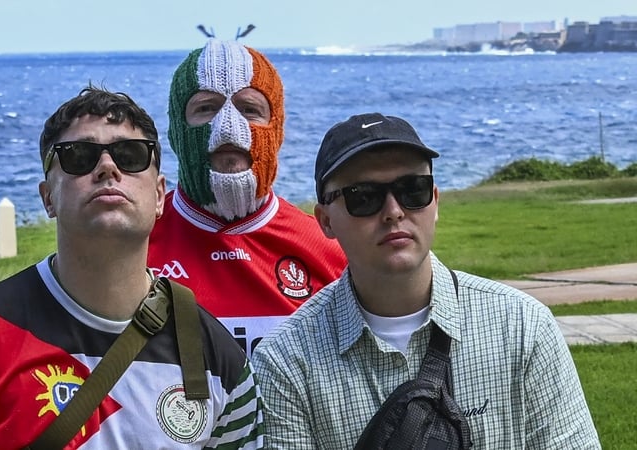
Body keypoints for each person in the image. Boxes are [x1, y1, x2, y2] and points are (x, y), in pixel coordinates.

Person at [0, 86, 264, 449]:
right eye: (78, 157)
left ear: (159, 195)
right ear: (48, 198)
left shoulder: (216, 357)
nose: (107, 167)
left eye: (130, 155)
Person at [252, 112, 601, 449]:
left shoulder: (523, 327)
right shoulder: (287, 360)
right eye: (364, 197)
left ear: (434, 200)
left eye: (412, 189)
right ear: (325, 220)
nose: (393, 211)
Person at [148, 39, 346, 356]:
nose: (228, 128)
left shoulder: (328, 251)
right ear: (176, 131)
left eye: (250, 110)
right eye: (206, 108)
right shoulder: (134, 249)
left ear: (277, 128)